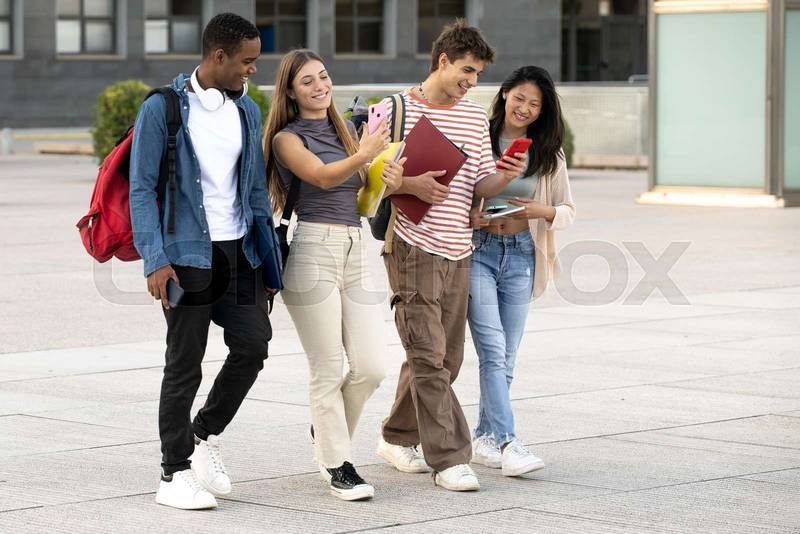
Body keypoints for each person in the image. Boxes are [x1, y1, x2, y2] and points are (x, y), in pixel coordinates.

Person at [129, 13, 279, 510]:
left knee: (253, 345)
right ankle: (173, 474)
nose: (252, 71)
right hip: (186, 254)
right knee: (184, 364)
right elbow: (141, 188)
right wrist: (155, 258)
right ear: (219, 56)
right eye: (247, 61)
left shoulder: (246, 111)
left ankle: (201, 434)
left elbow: (255, 188)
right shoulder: (164, 109)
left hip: (239, 252)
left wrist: (269, 262)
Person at [374, 19, 527, 492]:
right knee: (427, 353)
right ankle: (451, 457)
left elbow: (479, 185)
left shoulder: (474, 116)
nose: (472, 81)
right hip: (412, 244)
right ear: (442, 61)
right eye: (466, 70)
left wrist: (505, 175)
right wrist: (407, 184)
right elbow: (363, 179)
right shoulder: (393, 109)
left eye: (478, 74)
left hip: (460, 247)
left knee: (448, 357)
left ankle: (398, 436)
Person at [263, 49, 405, 501]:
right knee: (326, 368)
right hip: (311, 249)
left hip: (355, 244)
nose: (319, 86)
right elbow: (322, 178)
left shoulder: (342, 130)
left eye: (323, 77)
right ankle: (337, 464)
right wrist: (364, 152)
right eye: (307, 81)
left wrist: (386, 175)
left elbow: (363, 194)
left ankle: (325, 431)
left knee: (371, 367)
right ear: (290, 90)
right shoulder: (287, 138)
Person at [469, 66, 576, 476]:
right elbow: (460, 191)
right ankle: (511, 442)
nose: (525, 108)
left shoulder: (549, 153)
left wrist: (541, 210)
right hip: (479, 250)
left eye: (535, 104)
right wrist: (472, 216)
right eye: (519, 98)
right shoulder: (481, 137)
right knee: (493, 351)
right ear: (504, 95)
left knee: (506, 357)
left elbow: (567, 210)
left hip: (521, 254)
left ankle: (484, 436)